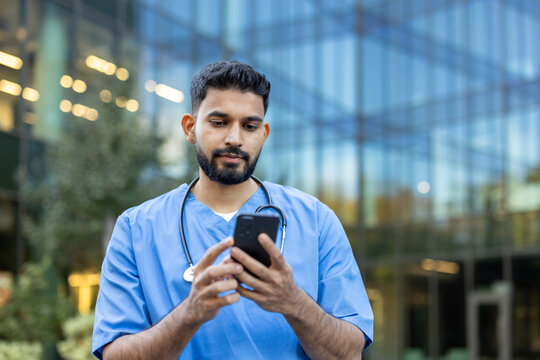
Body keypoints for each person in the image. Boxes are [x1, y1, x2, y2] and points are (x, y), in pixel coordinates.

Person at [92, 60, 373, 359]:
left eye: (249, 126)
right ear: (190, 128)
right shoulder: (136, 228)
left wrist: (293, 302)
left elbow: (349, 354)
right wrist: (190, 314)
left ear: (263, 134)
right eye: (219, 122)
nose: (235, 139)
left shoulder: (316, 221)